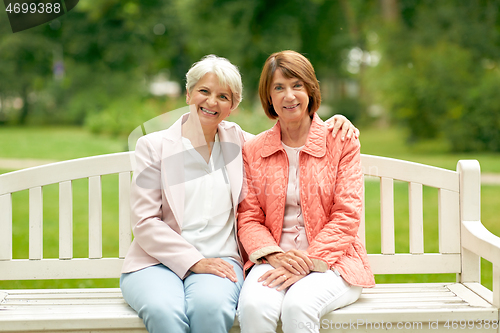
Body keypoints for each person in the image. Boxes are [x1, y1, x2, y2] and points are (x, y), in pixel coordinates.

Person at [120, 54, 359, 333]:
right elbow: (145, 222)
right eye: (204, 92)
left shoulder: (242, 143)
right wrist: (194, 262)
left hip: (220, 261)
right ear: (188, 94)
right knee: (164, 313)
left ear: (232, 105)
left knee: (210, 309)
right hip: (156, 262)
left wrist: (337, 121)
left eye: (223, 96)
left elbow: (296, 131)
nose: (212, 102)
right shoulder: (153, 147)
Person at [236, 50, 375, 333]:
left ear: (310, 90)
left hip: (333, 261)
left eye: (297, 85)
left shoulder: (340, 140)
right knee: (252, 307)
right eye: (279, 87)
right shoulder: (254, 149)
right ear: (269, 97)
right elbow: (249, 217)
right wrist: (276, 256)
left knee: (298, 306)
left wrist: (309, 261)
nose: (289, 96)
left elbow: (347, 215)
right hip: (274, 258)